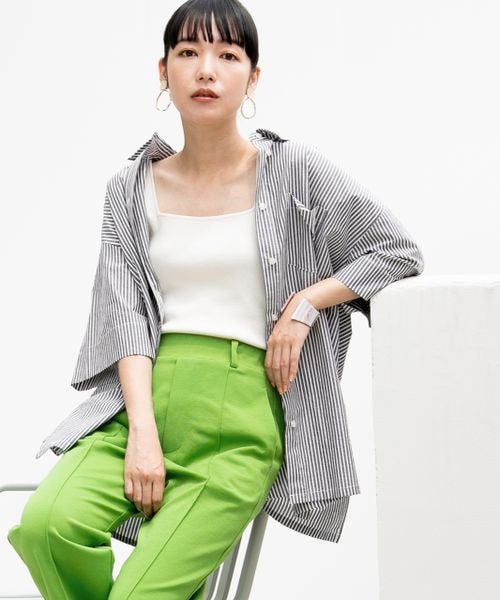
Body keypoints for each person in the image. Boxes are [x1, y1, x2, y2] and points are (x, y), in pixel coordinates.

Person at [6, 0, 425, 598]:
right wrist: (142, 433)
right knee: (46, 528)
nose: (207, 69)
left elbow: (398, 252)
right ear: (164, 71)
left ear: (252, 78)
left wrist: (306, 304)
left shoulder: (294, 171)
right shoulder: (129, 188)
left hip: (242, 419)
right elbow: (124, 319)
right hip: (140, 406)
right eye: (188, 53)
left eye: (228, 55)